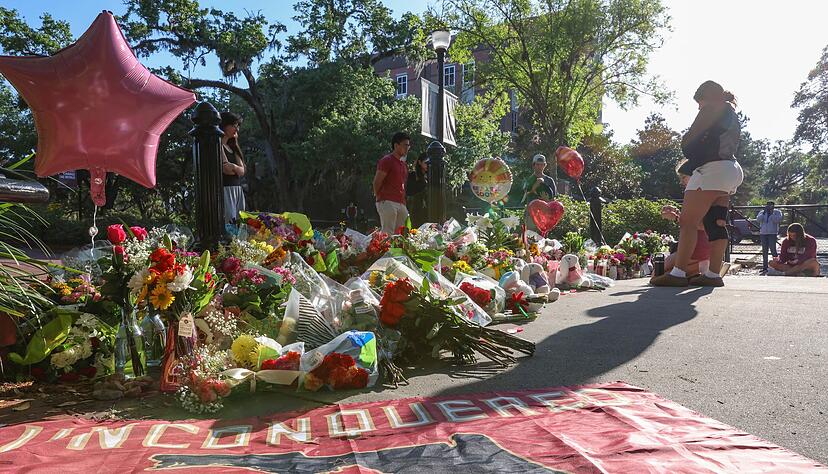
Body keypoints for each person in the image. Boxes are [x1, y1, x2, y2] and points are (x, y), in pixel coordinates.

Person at [651, 80, 743, 287]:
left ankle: (678, 273)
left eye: (699, 103)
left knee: (687, 222)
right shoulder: (731, 113)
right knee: (716, 223)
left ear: (706, 97)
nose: (699, 108)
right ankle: (712, 275)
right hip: (731, 169)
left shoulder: (712, 107)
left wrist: (687, 145)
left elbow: (691, 140)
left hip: (712, 169)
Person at [654, 160, 711, 279]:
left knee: (657, 274)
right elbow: (693, 219)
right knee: (660, 271)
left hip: (697, 250)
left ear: (694, 176)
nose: (681, 181)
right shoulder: (700, 192)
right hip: (700, 250)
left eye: (683, 177)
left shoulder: (698, 193)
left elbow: (702, 225)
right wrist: (678, 214)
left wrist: (676, 217)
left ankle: (690, 273)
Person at [373, 132, 411, 234]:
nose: (407, 148)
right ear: (396, 145)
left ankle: (397, 250)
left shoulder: (403, 165)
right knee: (387, 233)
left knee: (402, 234)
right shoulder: (387, 160)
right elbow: (377, 181)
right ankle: (384, 250)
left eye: (408, 145)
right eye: (405, 145)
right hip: (387, 201)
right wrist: (380, 198)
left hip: (401, 203)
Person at [220, 111, 246, 225]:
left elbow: (242, 171)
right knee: (229, 223)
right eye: (234, 125)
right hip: (225, 190)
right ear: (225, 125)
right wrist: (235, 168)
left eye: (238, 126)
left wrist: (234, 167)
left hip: (237, 190)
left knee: (240, 223)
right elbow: (226, 169)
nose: (237, 129)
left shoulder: (233, 148)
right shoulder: (218, 146)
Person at [756, 201, 783, 273]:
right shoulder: (762, 212)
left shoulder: (777, 212)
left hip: (772, 233)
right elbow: (758, 220)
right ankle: (765, 267)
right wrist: (764, 213)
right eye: (768, 205)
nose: (769, 207)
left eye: (771, 205)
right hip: (763, 233)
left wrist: (772, 214)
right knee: (764, 250)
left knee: (773, 249)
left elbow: (778, 220)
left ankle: (777, 265)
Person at [406, 153, 428, 227]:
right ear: (419, 162)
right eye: (426, 163)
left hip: (424, 211)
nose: (428, 165)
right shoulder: (412, 175)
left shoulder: (429, 176)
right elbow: (408, 192)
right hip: (413, 209)